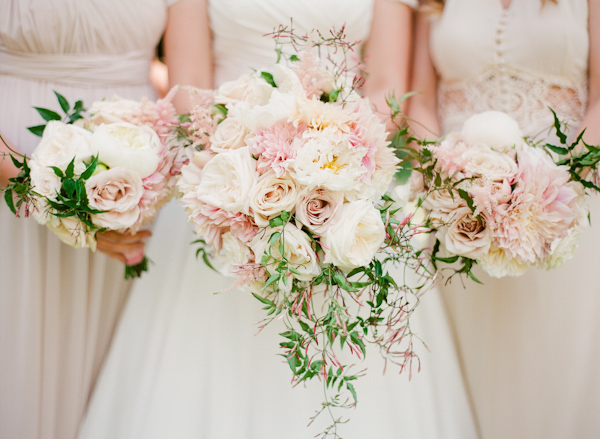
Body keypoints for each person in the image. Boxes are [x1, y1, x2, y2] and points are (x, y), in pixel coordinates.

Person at [78, 1, 479, 438]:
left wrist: (334, 170)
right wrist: (246, 170)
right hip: (226, 175)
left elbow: (385, 86)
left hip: (346, 180)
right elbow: (188, 87)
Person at [0, 1, 207, 438]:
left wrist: (152, 184)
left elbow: (189, 96)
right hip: (12, 175)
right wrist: (44, 191)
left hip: (135, 189)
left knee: (116, 386)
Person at [409, 1, 600, 438]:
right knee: (472, 373)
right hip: (460, 220)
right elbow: (418, 98)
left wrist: (554, 188)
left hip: (565, 210)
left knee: (557, 372)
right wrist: (448, 181)